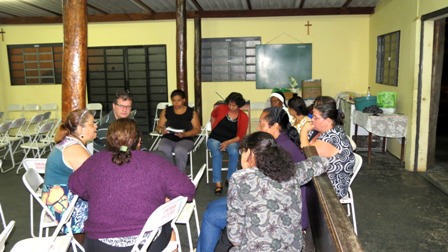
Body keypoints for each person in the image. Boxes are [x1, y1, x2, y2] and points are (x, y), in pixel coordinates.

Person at [69, 118, 195, 252]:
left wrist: (98, 193)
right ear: (139, 141)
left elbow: (75, 186)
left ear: (109, 139)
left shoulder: (94, 161)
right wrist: (165, 197)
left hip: (101, 246)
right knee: (169, 228)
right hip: (148, 244)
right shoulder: (156, 161)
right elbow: (188, 191)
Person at [227, 132, 328, 251]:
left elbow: (235, 237)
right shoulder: (292, 172)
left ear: (250, 152)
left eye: (242, 152)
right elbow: (322, 162)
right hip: (291, 248)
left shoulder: (240, 178)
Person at [42, 108, 97, 243]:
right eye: (92, 124)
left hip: (57, 195)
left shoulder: (71, 142)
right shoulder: (75, 149)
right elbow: (93, 181)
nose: (96, 126)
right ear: (80, 129)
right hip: (61, 202)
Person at [300, 96, 355, 198]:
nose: (312, 120)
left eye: (316, 117)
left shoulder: (332, 138)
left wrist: (303, 131)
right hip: (319, 177)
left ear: (328, 121)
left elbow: (308, 154)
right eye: (313, 115)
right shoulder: (320, 130)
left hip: (329, 186)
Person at [207, 92, 249, 195]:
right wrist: (213, 128)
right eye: (229, 104)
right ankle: (218, 183)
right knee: (217, 153)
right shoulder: (222, 108)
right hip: (215, 138)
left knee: (234, 152)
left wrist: (227, 142)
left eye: (234, 105)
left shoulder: (243, 117)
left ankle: (230, 178)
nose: (231, 107)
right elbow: (213, 115)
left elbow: (241, 136)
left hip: (232, 140)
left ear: (239, 105)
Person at [156, 89, 201, 172]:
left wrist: (185, 134)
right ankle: (171, 173)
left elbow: (197, 129)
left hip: (186, 138)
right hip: (168, 137)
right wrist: (161, 130)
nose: (176, 103)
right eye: (174, 101)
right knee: (163, 148)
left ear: (184, 100)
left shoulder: (191, 112)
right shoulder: (166, 111)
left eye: (178, 100)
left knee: (180, 149)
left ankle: (180, 174)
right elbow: (159, 126)